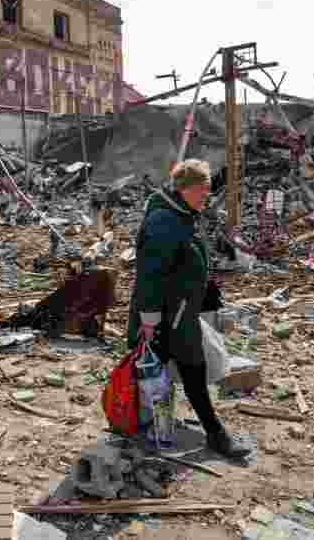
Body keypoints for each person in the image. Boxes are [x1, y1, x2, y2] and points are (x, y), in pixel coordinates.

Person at [127, 159, 251, 458]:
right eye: (202, 190)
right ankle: (213, 434)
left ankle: (163, 428)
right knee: (183, 371)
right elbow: (150, 273)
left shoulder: (181, 214)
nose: (206, 196)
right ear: (185, 188)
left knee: (167, 373)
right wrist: (149, 319)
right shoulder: (164, 220)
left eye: (208, 189)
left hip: (179, 311)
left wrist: (206, 289)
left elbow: (184, 259)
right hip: (164, 315)